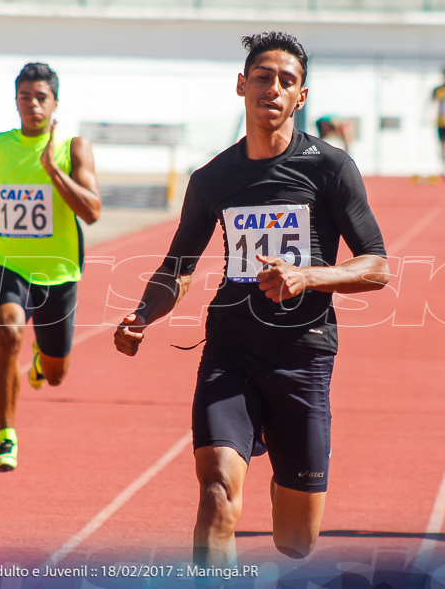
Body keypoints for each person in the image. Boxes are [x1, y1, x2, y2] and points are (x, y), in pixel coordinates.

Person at [113, 32, 389, 566]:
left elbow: (376, 265)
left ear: (301, 98)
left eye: (287, 81)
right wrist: (143, 313)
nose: (274, 88)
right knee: (216, 492)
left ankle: (283, 466)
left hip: (303, 358)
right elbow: (178, 269)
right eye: (263, 77)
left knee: (295, 539)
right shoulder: (213, 179)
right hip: (230, 354)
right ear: (242, 85)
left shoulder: (330, 169)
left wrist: (307, 278)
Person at [0, 62, 101, 473]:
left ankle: (44, 360)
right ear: (15, 102)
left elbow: (93, 211)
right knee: (8, 334)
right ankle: (5, 436)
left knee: (57, 373)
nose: (32, 105)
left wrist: (53, 171)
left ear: (55, 102)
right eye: (25, 97)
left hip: (59, 272)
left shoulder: (73, 148)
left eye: (41, 97)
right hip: (10, 261)